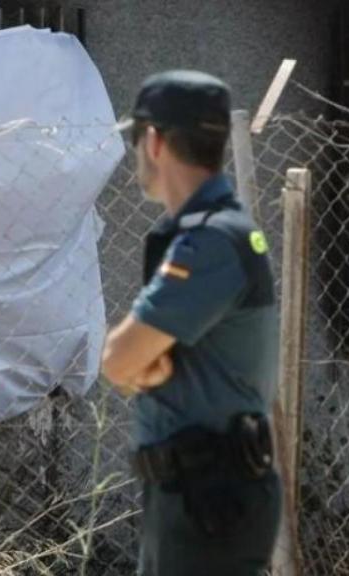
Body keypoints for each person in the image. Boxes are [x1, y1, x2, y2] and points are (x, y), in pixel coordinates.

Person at [101, 70, 282, 576]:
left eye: (137, 139)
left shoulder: (210, 242)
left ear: (154, 141)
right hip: (195, 494)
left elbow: (118, 360)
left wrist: (145, 364)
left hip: (210, 499)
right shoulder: (215, 234)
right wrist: (144, 362)